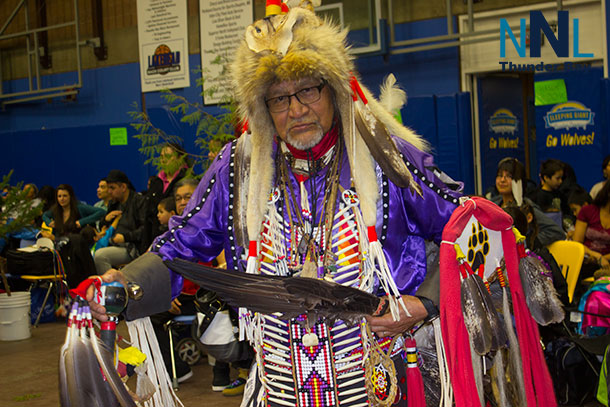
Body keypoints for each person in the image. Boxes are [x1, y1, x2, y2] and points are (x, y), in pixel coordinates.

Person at [88, 4, 464, 406]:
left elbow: (469, 229)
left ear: (333, 90)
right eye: (279, 99)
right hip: (281, 386)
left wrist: (422, 302)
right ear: (262, 109)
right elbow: (184, 243)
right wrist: (125, 286)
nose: (297, 109)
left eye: (307, 89)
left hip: (381, 385)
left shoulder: (382, 154)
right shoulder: (241, 167)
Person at [489, 157, 566, 247]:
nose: (502, 180)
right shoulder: (492, 204)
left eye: (509, 176)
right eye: (500, 175)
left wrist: (527, 242)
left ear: (519, 181)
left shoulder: (525, 206)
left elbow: (556, 231)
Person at [94, 170, 146, 274]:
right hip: (113, 243)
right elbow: (102, 226)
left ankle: (114, 286)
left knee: (100, 256)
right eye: (108, 188)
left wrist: (125, 237)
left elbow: (145, 229)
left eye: (112, 188)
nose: (109, 191)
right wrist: (105, 219)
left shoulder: (139, 201)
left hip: (132, 247)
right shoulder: (114, 203)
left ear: (123, 187)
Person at [573, 180, 610, 273]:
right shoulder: (588, 211)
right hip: (586, 258)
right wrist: (597, 257)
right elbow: (577, 242)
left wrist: (603, 259)